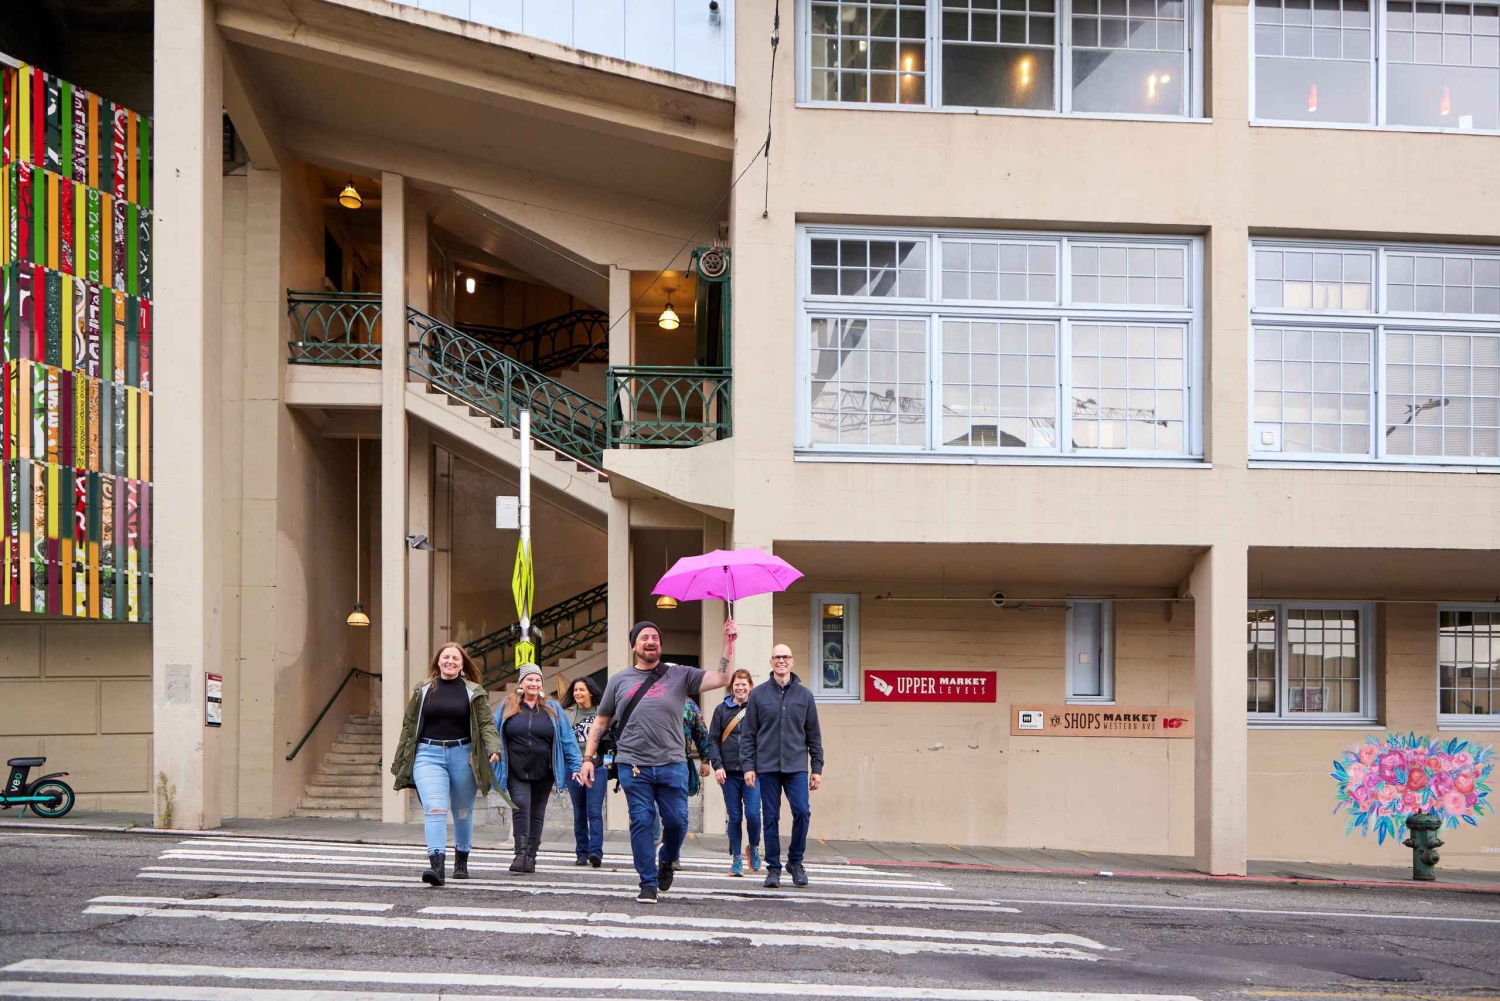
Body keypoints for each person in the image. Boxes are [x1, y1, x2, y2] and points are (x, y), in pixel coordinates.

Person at [580, 618, 738, 904]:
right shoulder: (619, 680)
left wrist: (729, 643)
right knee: (642, 821)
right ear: (634, 646)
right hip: (633, 765)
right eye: (644, 637)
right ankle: (648, 882)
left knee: (678, 821)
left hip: (673, 764)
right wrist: (588, 759)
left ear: (661, 645)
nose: (650, 641)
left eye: (655, 637)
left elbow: (723, 678)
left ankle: (666, 858)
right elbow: (601, 722)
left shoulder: (680, 675)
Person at [391, 642, 502, 887]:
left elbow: (486, 724)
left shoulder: (474, 691)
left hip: (463, 754)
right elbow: (409, 726)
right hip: (427, 754)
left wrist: (494, 748)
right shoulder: (423, 690)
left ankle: (461, 862)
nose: (450, 661)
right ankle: (437, 867)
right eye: (446, 657)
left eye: (455, 658)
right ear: (438, 662)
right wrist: (401, 757)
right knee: (435, 808)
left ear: (462, 664)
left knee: (462, 812)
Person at [743, 643, 824, 889]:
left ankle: (795, 862)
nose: (781, 660)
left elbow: (814, 735)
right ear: (771, 662)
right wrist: (748, 766)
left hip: (796, 766)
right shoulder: (758, 695)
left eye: (785, 657)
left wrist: (817, 768)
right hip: (767, 766)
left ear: (792, 661)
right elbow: (748, 735)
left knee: (802, 812)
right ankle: (773, 869)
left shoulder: (805, 696)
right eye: (777, 657)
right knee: (770, 818)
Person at [492, 664, 583, 874]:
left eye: (537, 680)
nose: (534, 683)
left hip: (544, 771)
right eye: (530, 679)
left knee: (537, 813)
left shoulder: (553, 708)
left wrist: (576, 765)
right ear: (521, 683)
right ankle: (520, 854)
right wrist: (493, 751)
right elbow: (493, 732)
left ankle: (531, 856)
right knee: (521, 806)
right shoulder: (507, 705)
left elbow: (567, 739)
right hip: (516, 769)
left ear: (541, 684)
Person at [707, 668, 762, 876]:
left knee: (753, 814)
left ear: (750, 687)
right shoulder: (721, 710)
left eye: (744, 684)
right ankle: (737, 858)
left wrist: (756, 766)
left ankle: (753, 847)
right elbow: (713, 740)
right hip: (728, 773)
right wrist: (717, 766)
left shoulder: (757, 709)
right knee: (735, 816)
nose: (740, 688)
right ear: (732, 687)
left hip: (752, 772)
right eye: (737, 684)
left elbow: (763, 739)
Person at [563, 676, 606, 867]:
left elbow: (612, 739)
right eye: (575, 690)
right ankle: (581, 852)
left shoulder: (603, 712)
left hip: (597, 766)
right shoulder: (567, 713)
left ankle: (595, 852)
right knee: (579, 812)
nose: (577, 693)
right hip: (574, 767)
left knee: (594, 810)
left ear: (591, 692)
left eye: (581, 690)